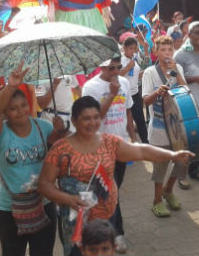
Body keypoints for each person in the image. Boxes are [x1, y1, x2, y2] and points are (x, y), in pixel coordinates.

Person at [38, 96, 193, 256]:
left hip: (106, 218)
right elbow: (44, 184)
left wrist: (172, 155)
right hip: (75, 222)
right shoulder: (60, 149)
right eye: (86, 118)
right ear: (74, 120)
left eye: (96, 117)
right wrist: (69, 199)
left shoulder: (109, 142)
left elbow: (141, 151)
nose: (92, 123)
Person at [0, 61, 66, 256]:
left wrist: (60, 131)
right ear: (5, 113)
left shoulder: (42, 126)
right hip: (9, 208)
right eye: (13, 108)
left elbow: (57, 150)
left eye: (23, 105)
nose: (21, 110)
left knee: (43, 252)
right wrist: (11, 86)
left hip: (44, 204)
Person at [82, 57, 135, 253]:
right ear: (101, 67)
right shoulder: (90, 87)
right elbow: (94, 119)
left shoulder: (125, 83)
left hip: (120, 146)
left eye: (118, 67)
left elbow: (128, 111)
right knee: (111, 192)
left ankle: (104, 224)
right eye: (111, 68)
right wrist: (111, 96)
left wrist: (132, 136)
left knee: (115, 191)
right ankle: (116, 233)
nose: (115, 71)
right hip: (100, 149)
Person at [142, 35, 187, 218]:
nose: (167, 53)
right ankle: (156, 200)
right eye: (163, 50)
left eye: (170, 50)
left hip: (177, 126)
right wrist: (157, 92)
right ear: (156, 52)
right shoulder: (150, 73)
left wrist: (177, 71)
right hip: (159, 127)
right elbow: (145, 100)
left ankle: (169, 190)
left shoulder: (179, 68)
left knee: (182, 160)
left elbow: (186, 92)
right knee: (160, 165)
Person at [174, 21, 199, 187]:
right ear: (188, 35)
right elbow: (174, 78)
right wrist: (195, 79)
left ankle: (195, 169)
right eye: (196, 32)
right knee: (185, 140)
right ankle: (181, 174)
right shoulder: (181, 55)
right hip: (187, 104)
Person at [120, 36, 148, 143]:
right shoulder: (120, 60)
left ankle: (145, 142)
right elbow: (117, 75)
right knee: (128, 121)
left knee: (140, 119)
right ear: (124, 48)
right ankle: (132, 142)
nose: (132, 51)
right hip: (124, 94)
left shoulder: (134, 59)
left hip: (135, 93)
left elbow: (136, 75)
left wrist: (143, 74)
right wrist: (127, 68)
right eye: (130, 48)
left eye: (134, 48)